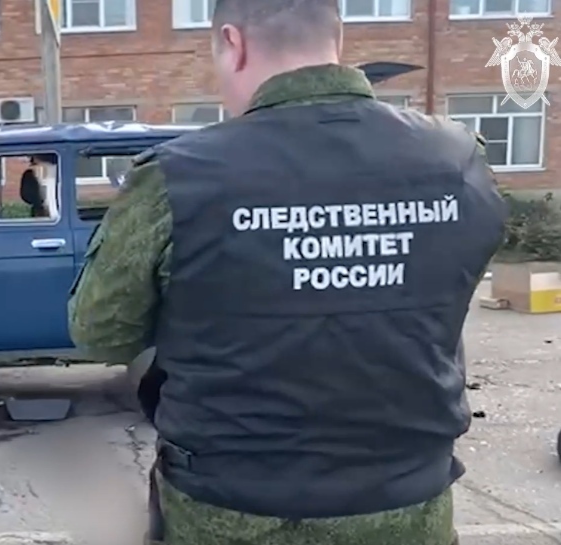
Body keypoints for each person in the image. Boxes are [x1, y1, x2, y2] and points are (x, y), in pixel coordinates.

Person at [66, 0, 508, 544]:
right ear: (336, 39)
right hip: (404, 500)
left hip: (229, 505)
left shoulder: (178, 175)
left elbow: (100, 331)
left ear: (234, 43)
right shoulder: (457, 159)